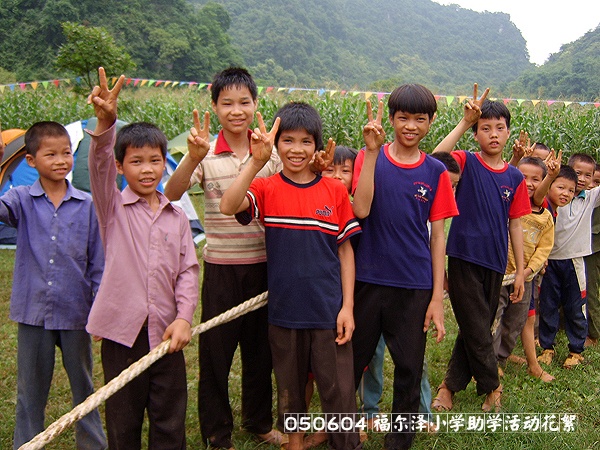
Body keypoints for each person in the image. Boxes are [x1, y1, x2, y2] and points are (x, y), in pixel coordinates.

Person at [220, 102, 362, 450]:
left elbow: (345, 252)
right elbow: (228, 205)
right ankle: (295, 442)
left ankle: (346, 443)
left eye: (305, 141)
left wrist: (347, 307)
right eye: (288, 140)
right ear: (276, 143)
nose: (296, 150)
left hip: (328, 312)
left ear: (316, 146)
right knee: (290, 388)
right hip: (284, 313)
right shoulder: (266, 188)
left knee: (338, 390)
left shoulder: (333, 191)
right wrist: (255, 162)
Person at [164, 67, 282, 449]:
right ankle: (217, 432)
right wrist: (191, 158)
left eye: (244, 102)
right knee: (216, 355)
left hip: (265, 266)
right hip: (221, 269)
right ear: (214, 106)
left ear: (256, 104)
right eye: (227, 103)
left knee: (260, 352)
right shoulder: (206, 153)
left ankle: (258, 421)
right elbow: (171, 193)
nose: (236, 111)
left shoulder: (270, 153)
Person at [86, 67, 199, 449]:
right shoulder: (111, 208)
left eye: (154, 160)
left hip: (167, 333)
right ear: (121, 167)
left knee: (170, 419)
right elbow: (99, 164)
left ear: (165, 162)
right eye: (136, 161)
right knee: (124, 419)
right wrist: (106, 124)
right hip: (122, 334)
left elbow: (188, 271)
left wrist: (183, 317)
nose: (147, 169)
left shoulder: (177, 216)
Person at [351, 84, 458, 450]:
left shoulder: (435, 171)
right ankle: (344, 434)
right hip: (367, 279)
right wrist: (370, 152)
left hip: (413, 285)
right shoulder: (369, 158)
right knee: (352, 362)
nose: (411, 126)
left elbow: (438, 237)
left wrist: (436, 298)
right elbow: (360, 209)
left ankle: (399, 442)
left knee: (410, 368)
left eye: (420, 119)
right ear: (392, 119)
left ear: (431, 121)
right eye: (403, 118)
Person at [0, 120, 107, 450]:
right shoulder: (20, 199)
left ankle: (92, 444)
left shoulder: (87, 205)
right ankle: (27, 444)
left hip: (76, 312)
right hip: (33, 312)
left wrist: (101, 309)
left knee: (84, 386)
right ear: (31, 161)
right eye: (51, 154)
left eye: (66, 153)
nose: (61, 161)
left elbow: (98, 264)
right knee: (30, 390)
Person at [431, 84, 531, 413]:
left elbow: (515, 224)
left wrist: (519, 271)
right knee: (476, 325)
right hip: (463, 256)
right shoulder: (467, 162)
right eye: (485, 128)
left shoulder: (515, 177)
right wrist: (464, 122)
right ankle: (492, 387)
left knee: (476, 327)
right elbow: (434, 160)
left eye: (499, 128)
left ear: (508, 132)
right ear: (476, 135)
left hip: (496, 262)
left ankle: (449, 387)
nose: (493, 134)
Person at [492, 156, 557, 383]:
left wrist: (528, 271)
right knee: (494, 318)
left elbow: (544, 249)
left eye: (535, 179)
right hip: (500, 275)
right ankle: (490, 361)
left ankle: (501, 357)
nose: (528, 183)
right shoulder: (506, 205)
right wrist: (515, 158)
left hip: (525, 278)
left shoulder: (545, 218)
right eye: (523, 177)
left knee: (516, 321)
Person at [538, 153, 600, 369]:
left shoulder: (590, 198)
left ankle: (576, 350)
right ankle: (547, 347)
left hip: (574, 262)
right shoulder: (552, 196)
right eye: (578, 173)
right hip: (549, 261)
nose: (582, 179)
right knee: (548, 305)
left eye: (588, 175)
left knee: (576, 306)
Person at [584, 163, 600, 348]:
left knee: (590, 289)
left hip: (594, 247)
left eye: (597, 182)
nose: (592, 185)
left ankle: (593, 333)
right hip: (583, 246)